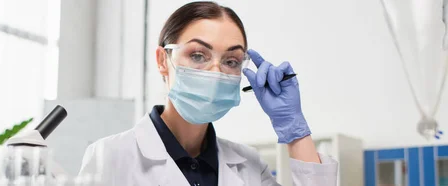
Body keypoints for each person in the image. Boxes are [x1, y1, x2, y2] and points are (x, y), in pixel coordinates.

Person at [79, 1, 338, 185]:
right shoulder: (111, 156)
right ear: (162, 60)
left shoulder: (248, 166)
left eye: (231, 61)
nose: (216, 72)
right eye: (198, 55)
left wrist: (294, 128)